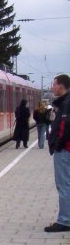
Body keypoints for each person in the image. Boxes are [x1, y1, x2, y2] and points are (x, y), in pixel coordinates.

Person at [46, 73, 70, 232]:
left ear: (61, 85)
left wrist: (57, 145)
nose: (52, 87)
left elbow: (65, 126)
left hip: (65, 150)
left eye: (54, 84)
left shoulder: (66, 103)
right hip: (66, 148)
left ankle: (65, 221)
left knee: (63, 185)